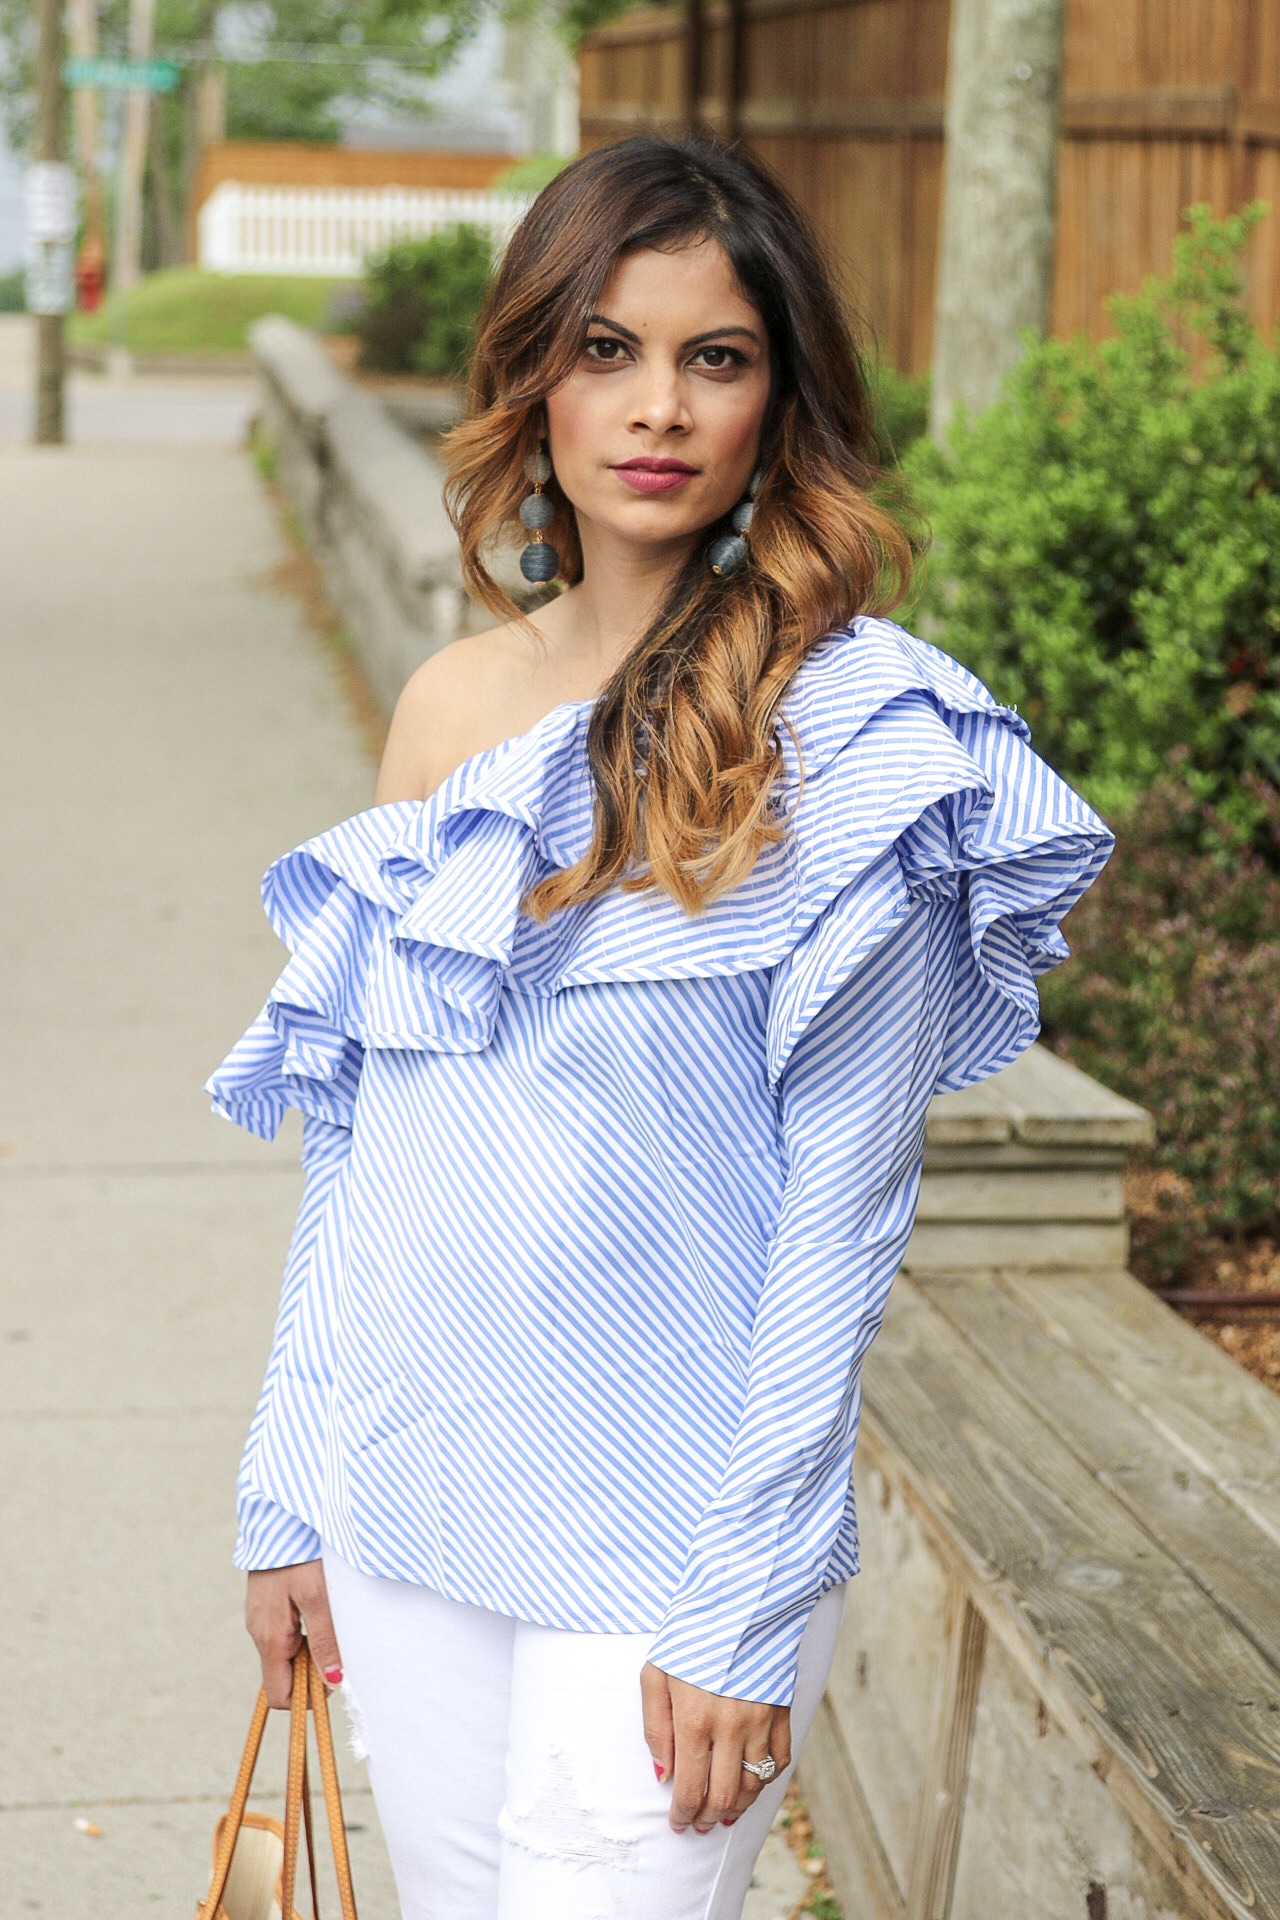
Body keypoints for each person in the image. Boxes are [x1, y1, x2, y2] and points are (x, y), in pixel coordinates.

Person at [205, 133, 1113, 1920]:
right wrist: (289, 1485)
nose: (659, 407)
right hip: (411, 1502)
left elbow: (842, 1217)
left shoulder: (862, 735)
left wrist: (744, 1597)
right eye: (607, 349)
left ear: (781, 402)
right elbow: (367, 1145)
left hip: (669, 1549)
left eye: (718, 358)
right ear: (534, 376)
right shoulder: (448, 710)